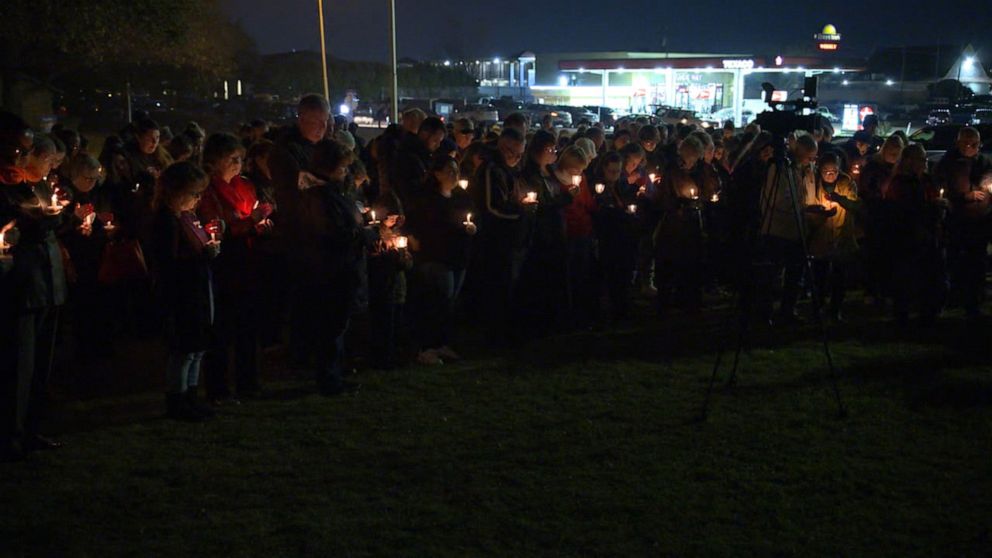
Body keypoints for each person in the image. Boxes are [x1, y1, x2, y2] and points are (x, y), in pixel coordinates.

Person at [0, 113, 66, 460]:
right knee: (17, 367)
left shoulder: (32, 183)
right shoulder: (6, 189)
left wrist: (58, 218)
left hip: (46, 281)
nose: (20, 158)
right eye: (14, 149)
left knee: (40, 364)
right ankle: (11, 435)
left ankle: (32, 428)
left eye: (25, 151)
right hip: (18, 287)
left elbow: (49, 221)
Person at [197, 133, 274, 403]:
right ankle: (218, 388)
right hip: (225, 266)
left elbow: (251, 214)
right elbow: (217, 226)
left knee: (248, 327)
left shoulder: (245, 185)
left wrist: (262, 224)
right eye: (232, 159)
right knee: (223, 330)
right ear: (215, 160)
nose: (238, 164)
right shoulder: (208, 190)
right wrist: (251, 222)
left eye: (241, 159)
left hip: (249, 264)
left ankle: (248, 382)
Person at [299, 140, 377, 394]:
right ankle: (329, 379)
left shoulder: (330, 193)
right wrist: (365, 234)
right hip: (333, 270)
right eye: (343, 168)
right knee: (331, 326)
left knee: (336, 325)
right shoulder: (321, 196)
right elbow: (334, 234)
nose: (346, 172)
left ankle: (335, 374)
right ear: (330, 167)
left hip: (339, 268)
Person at [149, 162, 219, 421]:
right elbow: (168, 263)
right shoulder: (166, 221)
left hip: (197, 292)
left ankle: (191, 395)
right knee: (184, 350)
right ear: (175, 192)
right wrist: (202, 257)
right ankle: (177, 400)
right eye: (194, 193)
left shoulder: (186, 217)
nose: (198, 199)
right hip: (182, 296)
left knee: (197, 348)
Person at [406, 155, 477, 364]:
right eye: (449, 170)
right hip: (436, 256)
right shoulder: (427, 199)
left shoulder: (460, 197)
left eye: (456, 170)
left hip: (458, 257)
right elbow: (414, 223)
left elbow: (472, 217)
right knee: (436, 302)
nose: (454, 174)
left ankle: (441, 343)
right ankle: (427, 347)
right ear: (437, 174)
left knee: (449, 304)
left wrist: (472, 227)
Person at [471, 127, 530, 344]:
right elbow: (492, 206)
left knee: (508, 286)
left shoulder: (508, 170)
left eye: (521, 154)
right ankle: (495, 334)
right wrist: (521, 211)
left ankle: (504, 330)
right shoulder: (492, 170)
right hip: (496, 240)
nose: (518, 158)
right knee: (497, 287)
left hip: (511, 238)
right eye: (514, 153)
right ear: (503, 149)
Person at [757, 134, 818, 323]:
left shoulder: (803, 170)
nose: (811, 161)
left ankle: (788, 310)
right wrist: (805, 208)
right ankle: (764, 312)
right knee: (771, 273)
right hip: (777, 229)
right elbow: (778, 199)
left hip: (796, 230)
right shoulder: (780, 168)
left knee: (795, 273)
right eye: (809, 156)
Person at [884, 144, 947, 326]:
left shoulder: (927, 180)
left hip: (931, 235)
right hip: (908, 237)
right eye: (921, 159)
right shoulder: (900, 182)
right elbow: (902, 210)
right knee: (906, 277)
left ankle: (929, 312)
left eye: (925, 158)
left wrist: (941, 206)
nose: (925, 162)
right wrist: (930, 207)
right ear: (909, 161)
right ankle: (902, 314)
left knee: (931, 276)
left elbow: (933, 198)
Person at [934, 127, 992, 320]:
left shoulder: (985, 162)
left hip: (980, 221)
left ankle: (974, 301)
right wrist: (964, 196)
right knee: (955, 260)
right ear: (958, 143)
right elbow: (940, 189)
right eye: (965, 143)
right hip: (957, 221)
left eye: (973, 144)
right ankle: (955, 297)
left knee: (977, 261)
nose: (969, 147)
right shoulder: (948, 163)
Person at [806, 153, 861, 321]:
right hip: (820, 238)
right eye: (826, 171)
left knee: (839, 277)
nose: (830, 174)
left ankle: (835, 309)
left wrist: (839, 199)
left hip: (842, 236)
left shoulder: (847, 183)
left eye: (834, 171)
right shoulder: (813, 184)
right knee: (819, 276)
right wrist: (821, 213)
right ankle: (817, 308)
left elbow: (855, 205)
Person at [391, 116, 445, 205]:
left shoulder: (423, 155)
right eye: (435, 140)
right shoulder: (408, 156)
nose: (438, 145)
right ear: (424, 134)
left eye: (440, 141)